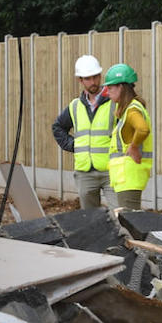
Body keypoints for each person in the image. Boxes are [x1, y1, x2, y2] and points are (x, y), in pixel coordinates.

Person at [51, 54, 115, 209]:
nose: (92, 82)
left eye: (95, 77)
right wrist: (74, 145)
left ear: (100, 76)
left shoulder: (114, 102)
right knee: (90, 220)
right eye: (88, 78)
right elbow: (58, 127)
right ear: (80, 80)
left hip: (111, 170)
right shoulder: (75, 106)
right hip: (85, 173)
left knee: (120, 215)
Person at [103, 62, 152, 210]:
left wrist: (134, 146)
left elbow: (143, 130)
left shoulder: (131, 110)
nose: (107, 91)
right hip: (126, 178)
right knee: (127, 219)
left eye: (110, 87)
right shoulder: (128, 109)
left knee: (129, 221)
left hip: (129, 177)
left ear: (121, 87)